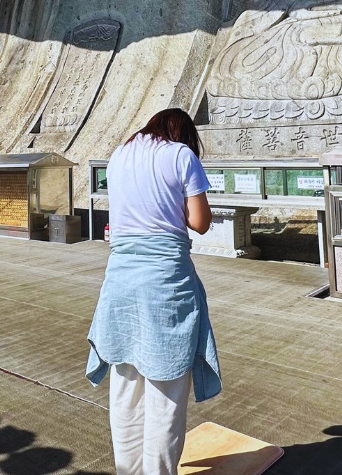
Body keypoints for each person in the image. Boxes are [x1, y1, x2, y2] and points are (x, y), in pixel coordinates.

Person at [85, 108, 221, 475]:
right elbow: (200, 222)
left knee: (126, 386)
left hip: (119, 282)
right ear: (183, 134)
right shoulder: (181, 156)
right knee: (166, 390)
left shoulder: (119, 156)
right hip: (164, 284)